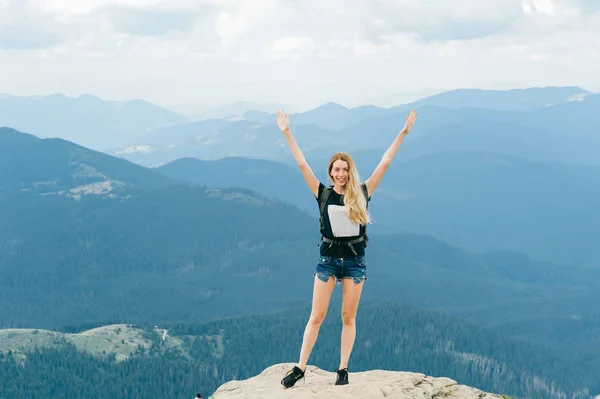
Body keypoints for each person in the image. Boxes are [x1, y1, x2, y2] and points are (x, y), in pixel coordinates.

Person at [276, 108, 418, 387]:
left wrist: (402, 133)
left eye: (344, 169)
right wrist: (287, 133)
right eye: (336, 169)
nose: (341, 174)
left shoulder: (362, 192)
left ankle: (342, 370)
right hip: (328, 261)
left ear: (349, 171)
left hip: (354, 263)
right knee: (316, 316)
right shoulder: (323, 193)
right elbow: (303, 165)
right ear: (330, 172)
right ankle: (300, 367)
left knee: (348, 317)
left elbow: (384, 164)